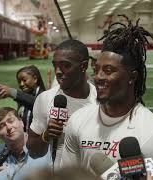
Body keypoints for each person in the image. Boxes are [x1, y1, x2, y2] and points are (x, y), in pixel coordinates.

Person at [61, 16, 153, 179]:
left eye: (108, 70)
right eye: (97, 69)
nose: (98, 77)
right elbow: (67, 175)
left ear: (132, 77)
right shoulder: (78, 120)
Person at [27, 39, 97, 169]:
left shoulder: (101, 100)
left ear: (83, 66)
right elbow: (33, 152)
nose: (58, 71)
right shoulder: (45, 99)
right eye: (55, 65)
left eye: (65, 65)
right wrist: (46, 135)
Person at [0, 107, 52, 180]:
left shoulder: (45, 147)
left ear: (21, 122)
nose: (9, 127)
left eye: (11, 121)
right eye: (2, 126)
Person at [0, 65, 46, 132]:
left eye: (24, 80)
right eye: (19, 81)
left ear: (35, 79)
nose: (21, 84)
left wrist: (12, 92)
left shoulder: (45, 96)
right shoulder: (22, 99)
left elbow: (36, 104)